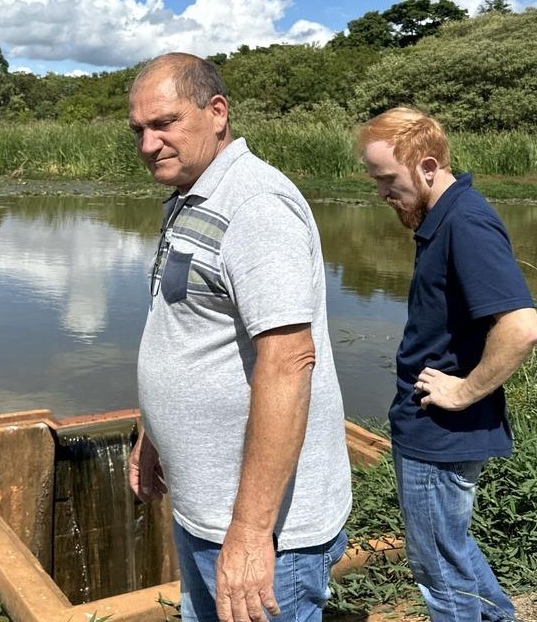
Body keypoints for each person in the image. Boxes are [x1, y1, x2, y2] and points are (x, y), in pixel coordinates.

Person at [127, 52, 352, 622]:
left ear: (217, 112)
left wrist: (252, 533)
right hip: (207, 511)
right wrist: (153, 432)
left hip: (267, 532)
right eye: (140, 130)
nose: (149, 144)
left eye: (165, 124)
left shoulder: (255, 206)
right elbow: (187, 332)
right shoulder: (195, 193)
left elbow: (288, 361)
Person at [357, 107, 537, 622]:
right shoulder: (447, 217)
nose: (382, 193)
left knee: (439, 570)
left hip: (441, 433)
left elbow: (522, 327)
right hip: (434, 429)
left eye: (388, 180)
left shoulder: (467, 221)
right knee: (450, 553)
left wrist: (462, 391)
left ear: (428, 165)